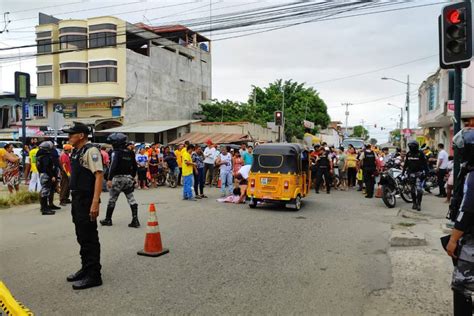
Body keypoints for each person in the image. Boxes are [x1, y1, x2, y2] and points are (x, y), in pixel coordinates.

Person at [63, 122, 103, 290]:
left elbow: (99, 176)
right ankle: (85, 268)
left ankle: (94, 275)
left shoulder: (91, 151)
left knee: (89, 237)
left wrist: (95, 202)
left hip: (87, 200)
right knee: (81, 235)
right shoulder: (76, 151)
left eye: (72, 134)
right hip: (78, 199)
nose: (69, 137)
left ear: (81, 135)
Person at [445, 128, 474, 315]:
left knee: (461, 285)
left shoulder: (472, 175)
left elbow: (467, 210)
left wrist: (454, 239)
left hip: (471, 236)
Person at [100, 133, 140, 228]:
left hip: (117, 179)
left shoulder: (116, 152)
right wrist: (133, 177)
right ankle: (135, 220)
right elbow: (134, 166)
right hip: (128, 178)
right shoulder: (130, 152)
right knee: (131, 199)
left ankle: (108, 219)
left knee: (112, 199)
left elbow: (113, 165)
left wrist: (109, 179)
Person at [403, 140, 429, 211]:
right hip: (411, 173)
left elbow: (425, 164)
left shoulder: (420, 153)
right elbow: (406, 164)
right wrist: (403, 172)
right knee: (412, 190)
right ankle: (414, 203)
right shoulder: (408, 154)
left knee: (419, 190)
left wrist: (427, 173)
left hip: (419, 173)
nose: (411, 148)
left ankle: (419, 204)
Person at [36, 141, 58, 215]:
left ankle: (45, 207)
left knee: (44, 191)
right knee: (45, 192)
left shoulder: (39, 155)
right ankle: (44, 209)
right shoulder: (45, 156)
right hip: (46, 175)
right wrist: (52, 176)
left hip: (42, 174)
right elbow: (47, 167)